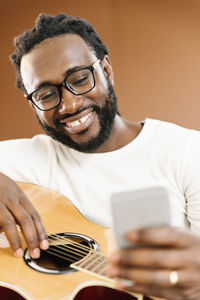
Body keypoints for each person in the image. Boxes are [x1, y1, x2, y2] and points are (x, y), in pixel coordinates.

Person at [1, 12, 200, 299]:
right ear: (33, 105)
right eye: (45, 95)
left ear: (106, 71)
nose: (69, 104)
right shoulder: (25, 158)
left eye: (80, 79)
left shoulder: (187, 151)